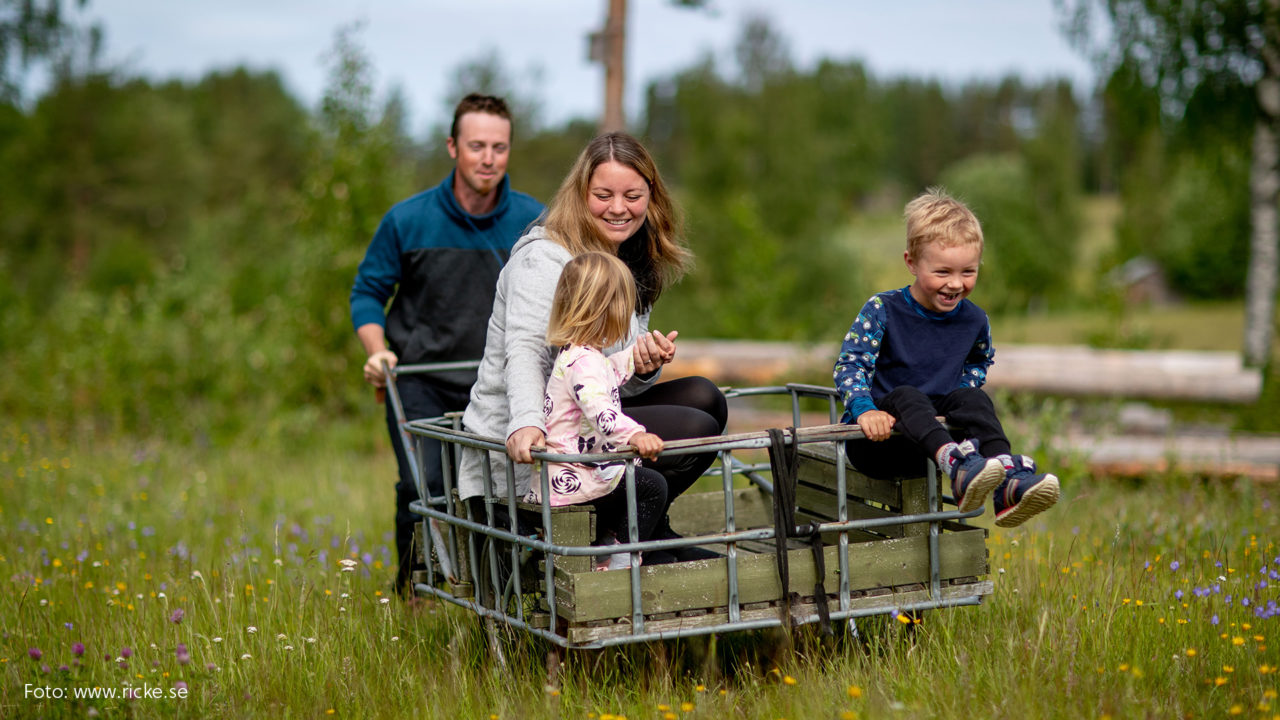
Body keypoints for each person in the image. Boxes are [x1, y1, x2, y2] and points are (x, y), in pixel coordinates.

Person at [459, 131, 728, 564]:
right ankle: (624, 535)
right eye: (603, 194)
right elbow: (526, 349)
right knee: (693, 425)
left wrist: (642, 366)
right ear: (581, 194)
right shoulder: (544, 258)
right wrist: (526, 423)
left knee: (706, 398)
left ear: (651, 197)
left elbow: (603, 383)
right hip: (539, 435)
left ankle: (644, 527)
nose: (618, 208)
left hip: (583, 413)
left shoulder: (625, 257)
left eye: (632, 195)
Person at [349, 93, 544, 595]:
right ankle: (417, 590)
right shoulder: (408, 220)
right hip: (421, 382)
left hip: (500, 383)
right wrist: (377, 350)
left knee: (503, 494)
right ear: (452, 147)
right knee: (424, 487)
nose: (488, 158)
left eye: (499, 147)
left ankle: (497, 596)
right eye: (477, 145)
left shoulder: (535, 222)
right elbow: (368, 292)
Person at [832, 188, 1060, 528]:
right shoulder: (883, 309)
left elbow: (978, 361)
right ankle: (957, 467)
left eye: (968, 272)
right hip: (880, 441)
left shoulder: (975, 320)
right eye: (943, 272)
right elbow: (851, 363)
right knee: (909, 394)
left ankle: (1006, 483)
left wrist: (955, 398)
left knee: (973, 398)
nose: (956, 284)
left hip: (932, 436)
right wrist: (864, 409)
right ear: (911, 262)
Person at [534, 252, 668, 570]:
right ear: (606, 310)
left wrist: (637, 357)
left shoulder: (583, 355)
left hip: (575, 468)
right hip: (574, 472)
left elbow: (609, 372)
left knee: (631, 483)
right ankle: (621, 562)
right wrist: (636, 434)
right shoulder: (584, 362)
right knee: (652, 487)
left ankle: (607, 548)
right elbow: (600, 411)